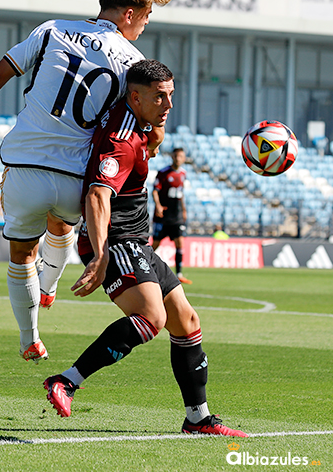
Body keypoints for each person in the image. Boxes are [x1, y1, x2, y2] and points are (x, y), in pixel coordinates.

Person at [0, 0, 171, 362]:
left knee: (21, 254)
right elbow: (148, 126)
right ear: (130, 13)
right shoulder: (135, 63)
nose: (148, 22)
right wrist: (154, 138)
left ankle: (29, 337)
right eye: (148, 14)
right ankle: (49, 284)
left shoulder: (53, 30)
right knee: (63, 224)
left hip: (24, 167)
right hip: (76, 181)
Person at [44, 60, 247, 438]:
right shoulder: (120, 141)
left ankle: (197, 418)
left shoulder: (137, 117)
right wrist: (102, 256)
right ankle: (67, 380)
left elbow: (152, 141)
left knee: (186, 322)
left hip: (135, 239)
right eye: (160, 97)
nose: (168, 104)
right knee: (152, 317)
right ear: (135, 97)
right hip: (115, 239)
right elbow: (97, 196)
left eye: (171, 95)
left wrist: (156, 128)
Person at [151, 147, 192, 285]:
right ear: (172, 157)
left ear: (184, 158)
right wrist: (157, 205)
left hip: (177, 215)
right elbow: (155, 191)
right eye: (176, 156)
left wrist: (184, 210)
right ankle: (143, 266)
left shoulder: (183, 174)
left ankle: (179, 273)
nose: (178, 158)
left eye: (180, 156)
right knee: (155, 244)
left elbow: (181, 194)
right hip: (163, 214)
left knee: (180, 242)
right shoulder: (163, 173)